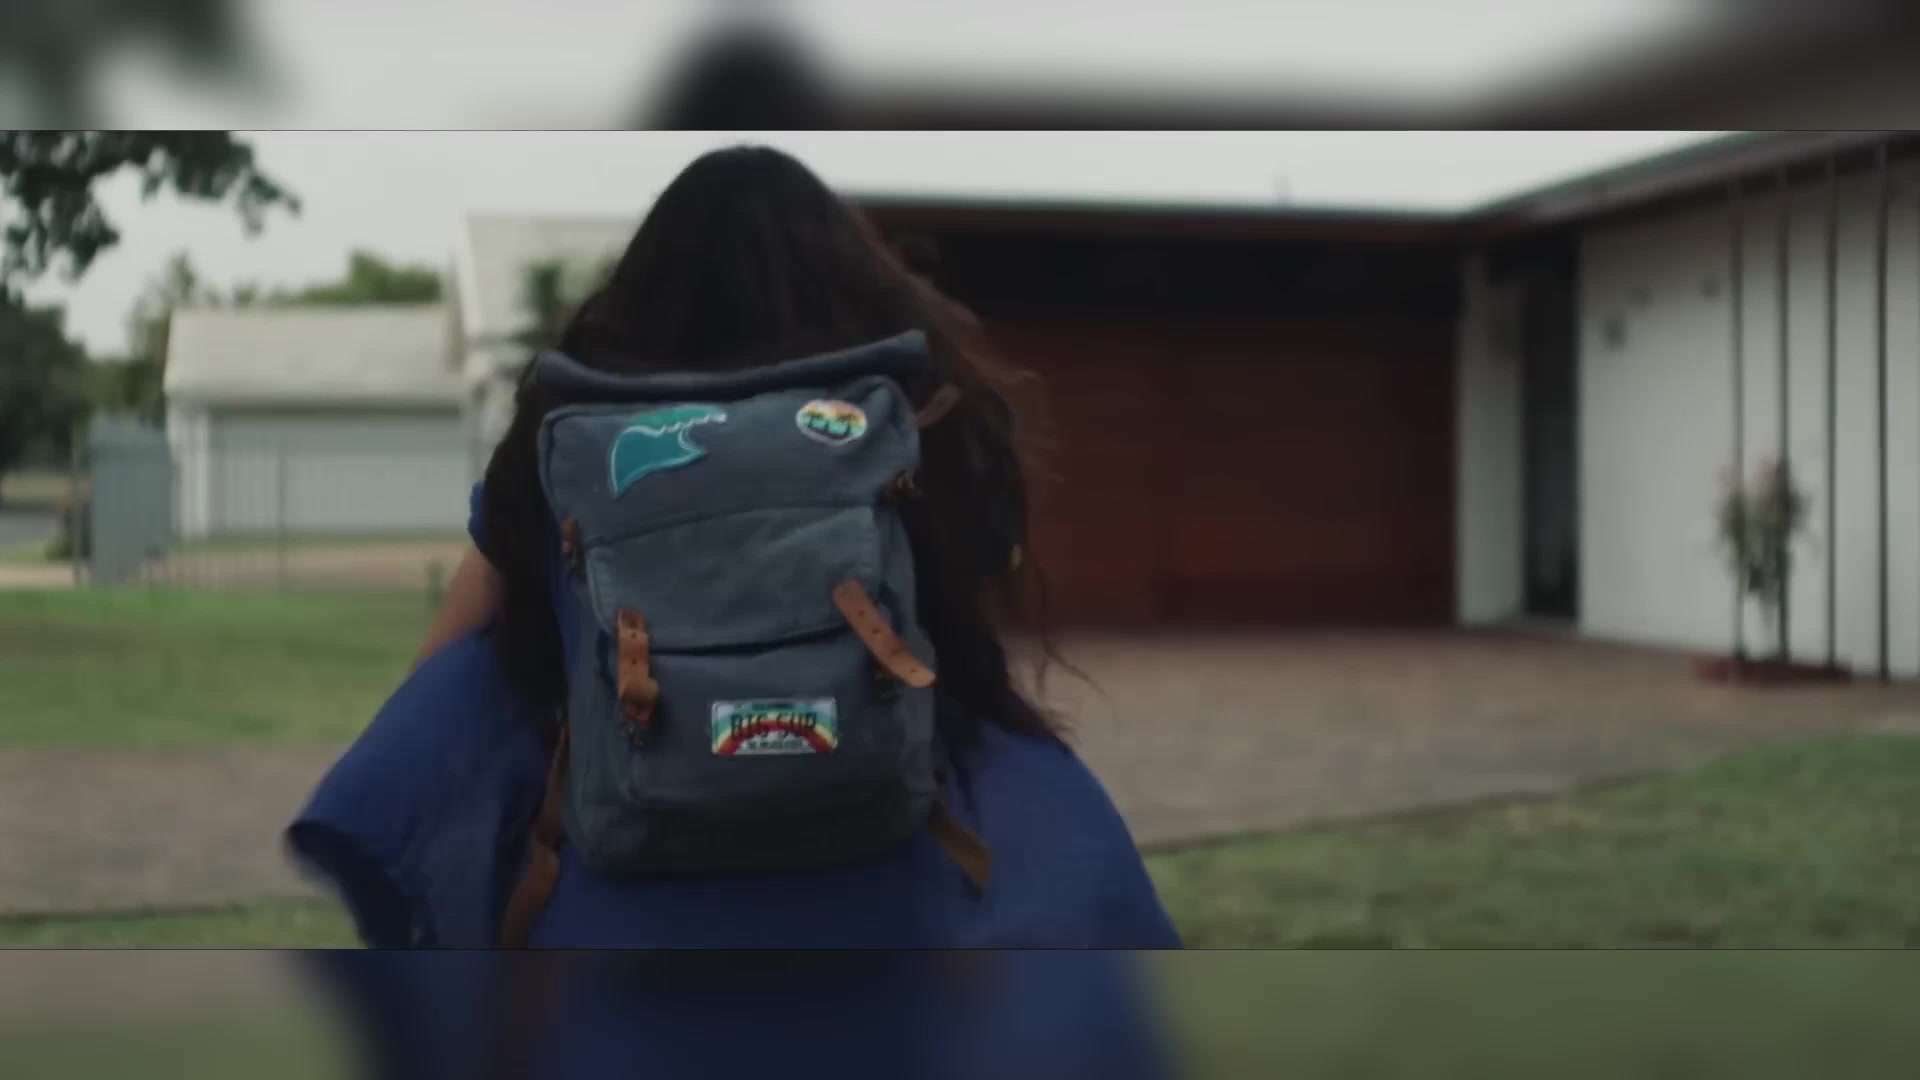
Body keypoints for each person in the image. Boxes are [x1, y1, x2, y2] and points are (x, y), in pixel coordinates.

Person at [288, 143, 1178, 1076]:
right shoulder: (919, 423)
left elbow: (437, 675)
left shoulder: (568, 441)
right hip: (896, 907)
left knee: (478, 680)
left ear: (643, 289)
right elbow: (966, 618)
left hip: (619, 930)